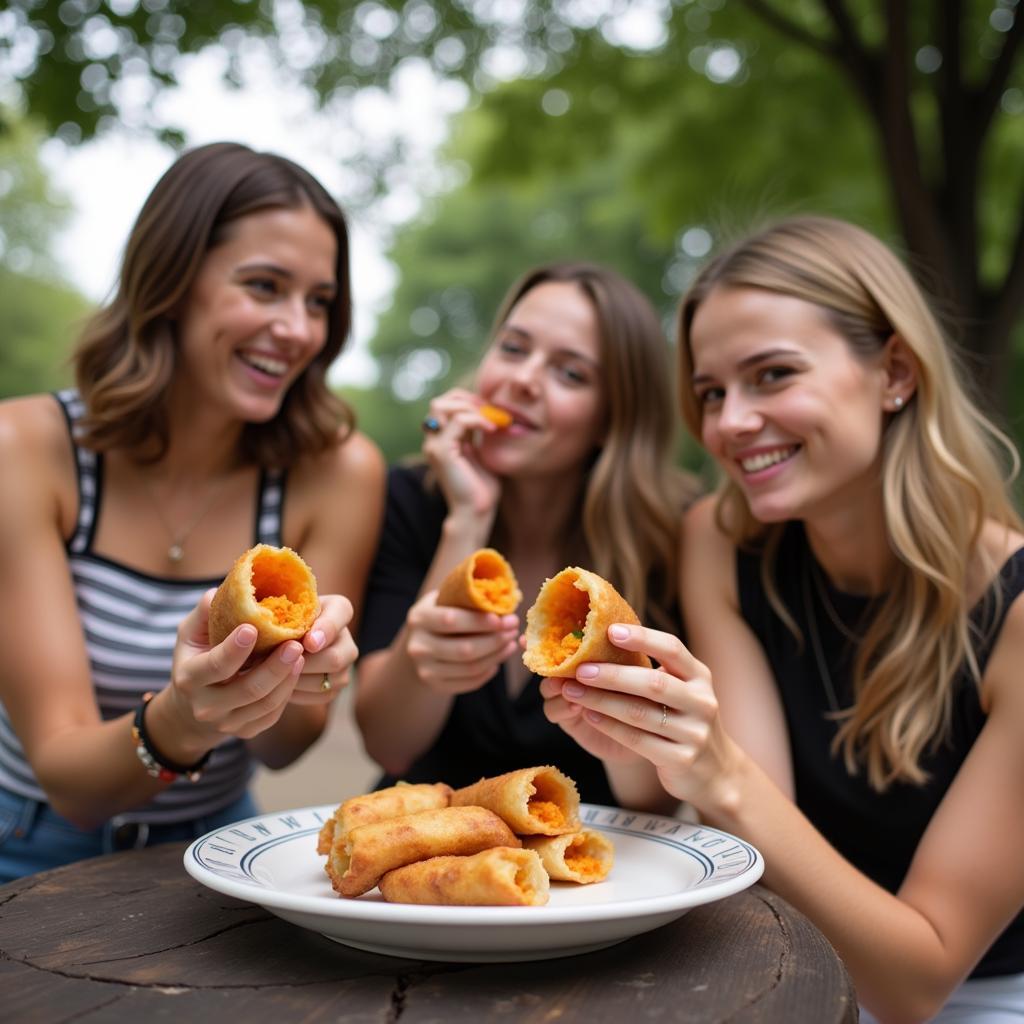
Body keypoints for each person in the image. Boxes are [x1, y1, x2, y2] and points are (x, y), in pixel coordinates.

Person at [540, 216, 1024, 1022]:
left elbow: (917, 981)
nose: (728, 423)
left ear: (895, 371)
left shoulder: (1015, 615)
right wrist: (641, 741)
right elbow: (760, 843)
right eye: (710, 392)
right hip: (795, 961)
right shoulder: (722, 541)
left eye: (772, 375)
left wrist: (715, 771)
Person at [0, 142, 385, 882]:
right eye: (264, 285)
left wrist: (308, 676)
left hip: (217, 849)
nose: (299, 329)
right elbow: (70, 780)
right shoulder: (26, 449)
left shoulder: (338, 471)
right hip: (28, 843)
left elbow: (288, 746)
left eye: (319, 301)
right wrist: (184, 714)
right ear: (172, 282)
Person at [354, 262, 695, 810]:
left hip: (589, 862)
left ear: (614, 418)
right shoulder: (414, 498)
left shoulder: (672, 534)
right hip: (423, 842)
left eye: (571, 374)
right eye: (514, 348)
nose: (524, 380)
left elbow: (656, 804)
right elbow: (389, 743)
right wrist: (467, 517)